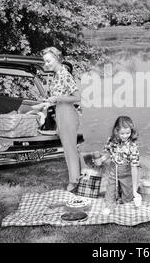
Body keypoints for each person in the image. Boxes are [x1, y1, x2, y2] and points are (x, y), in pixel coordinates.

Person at [38, 47, 86, 192]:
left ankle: (74, 182)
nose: (46, 64)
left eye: (48, 61)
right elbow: (58, 97)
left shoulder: (64, 74)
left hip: (67, 114)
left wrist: (57, 98)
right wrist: (47, 103)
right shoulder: (56, 75)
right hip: (60, 112)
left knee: (69, 149)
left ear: (57, 58)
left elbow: (77, 97)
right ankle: (84, 172)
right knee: (71, 147)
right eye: (45, 62)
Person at [102, 116, 141, 215]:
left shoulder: (132, 146)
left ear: (131, 131)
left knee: (128, 196)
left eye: (128, 133)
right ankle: (109, 206)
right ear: (116, 131)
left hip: (127, 173)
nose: (125, 136)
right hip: (113, 170)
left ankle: (125, 207)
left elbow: (134, 168)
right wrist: (102, 159)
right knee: (110, 191)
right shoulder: (111, 140)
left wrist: (135, 190)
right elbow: (108, 153)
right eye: (122, 133)